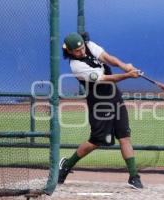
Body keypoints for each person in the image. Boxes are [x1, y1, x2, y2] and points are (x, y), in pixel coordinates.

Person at [58, 32, 143, 189]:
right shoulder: (76, 66)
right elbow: (105, 78)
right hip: (99, 102)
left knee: (124, 136)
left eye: (82, 47)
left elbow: (107, 58)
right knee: (97, 141)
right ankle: (66, 166)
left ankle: (133, 176)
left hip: (114, 96)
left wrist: (125, 66)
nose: (81, 51)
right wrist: (128, 75)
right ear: (69, 51)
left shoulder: (89, 46)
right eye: (77, 51)